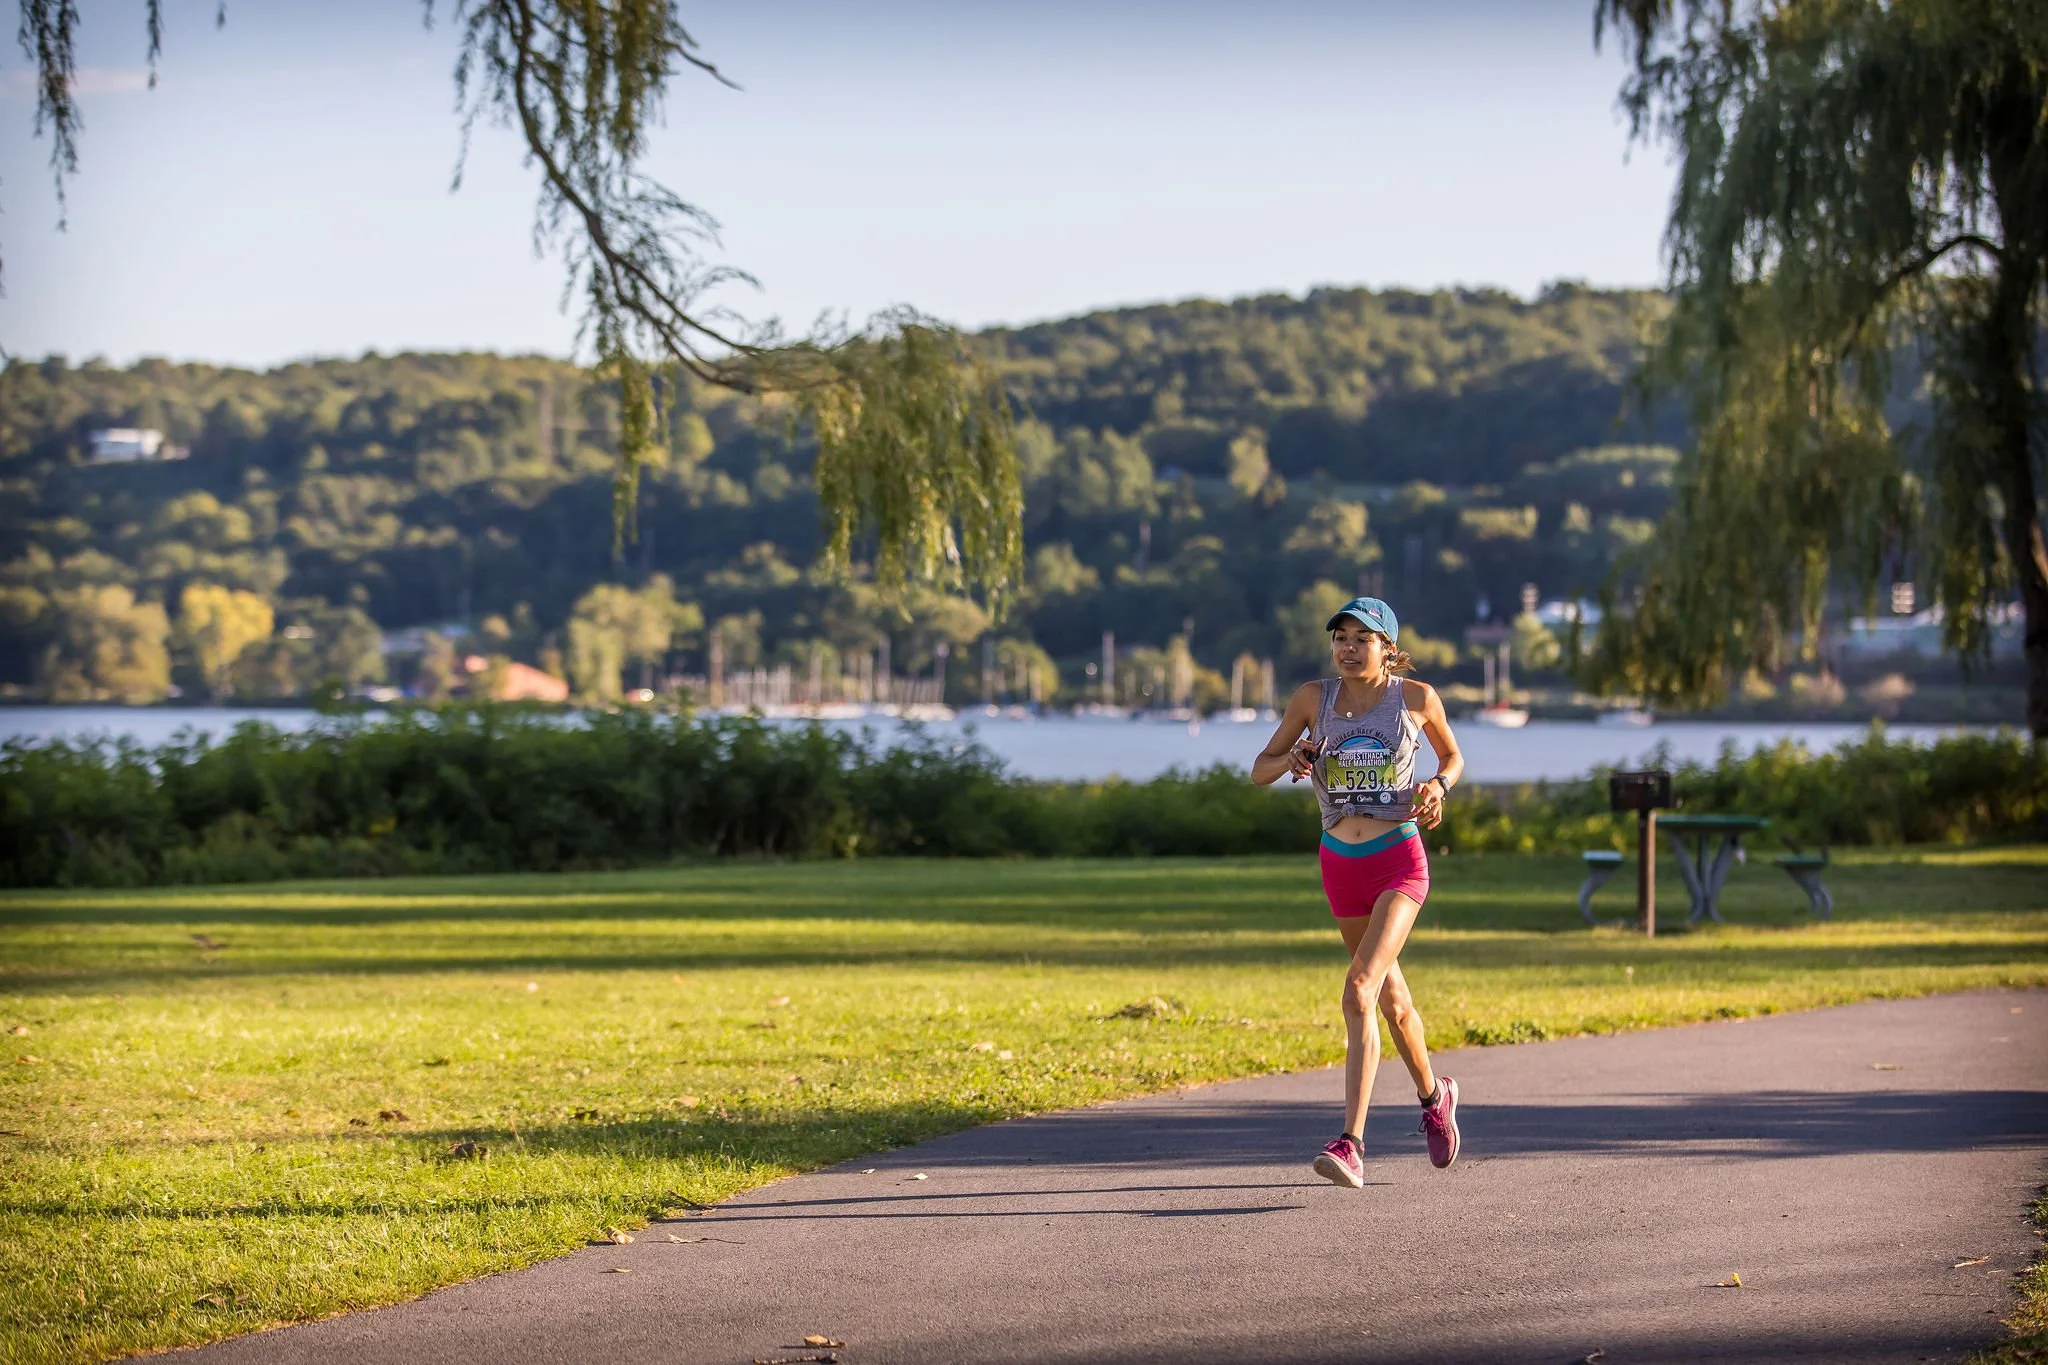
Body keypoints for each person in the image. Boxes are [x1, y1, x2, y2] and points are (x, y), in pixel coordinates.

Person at [1251, 595, 1465, 1186]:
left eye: (1361, 639)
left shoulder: (1415, 700)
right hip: (1339, 862)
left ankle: (1350, 1143)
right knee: (1393, 1002)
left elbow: (1453, 756)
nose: (1348, 648)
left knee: (1360, 988)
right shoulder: (1310, 700)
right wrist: (1292, 756)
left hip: (1398, 860)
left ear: (1387, 649)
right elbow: (1259, 769)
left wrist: (1439, 786)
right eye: (1340, 638)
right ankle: (1435, 1097)